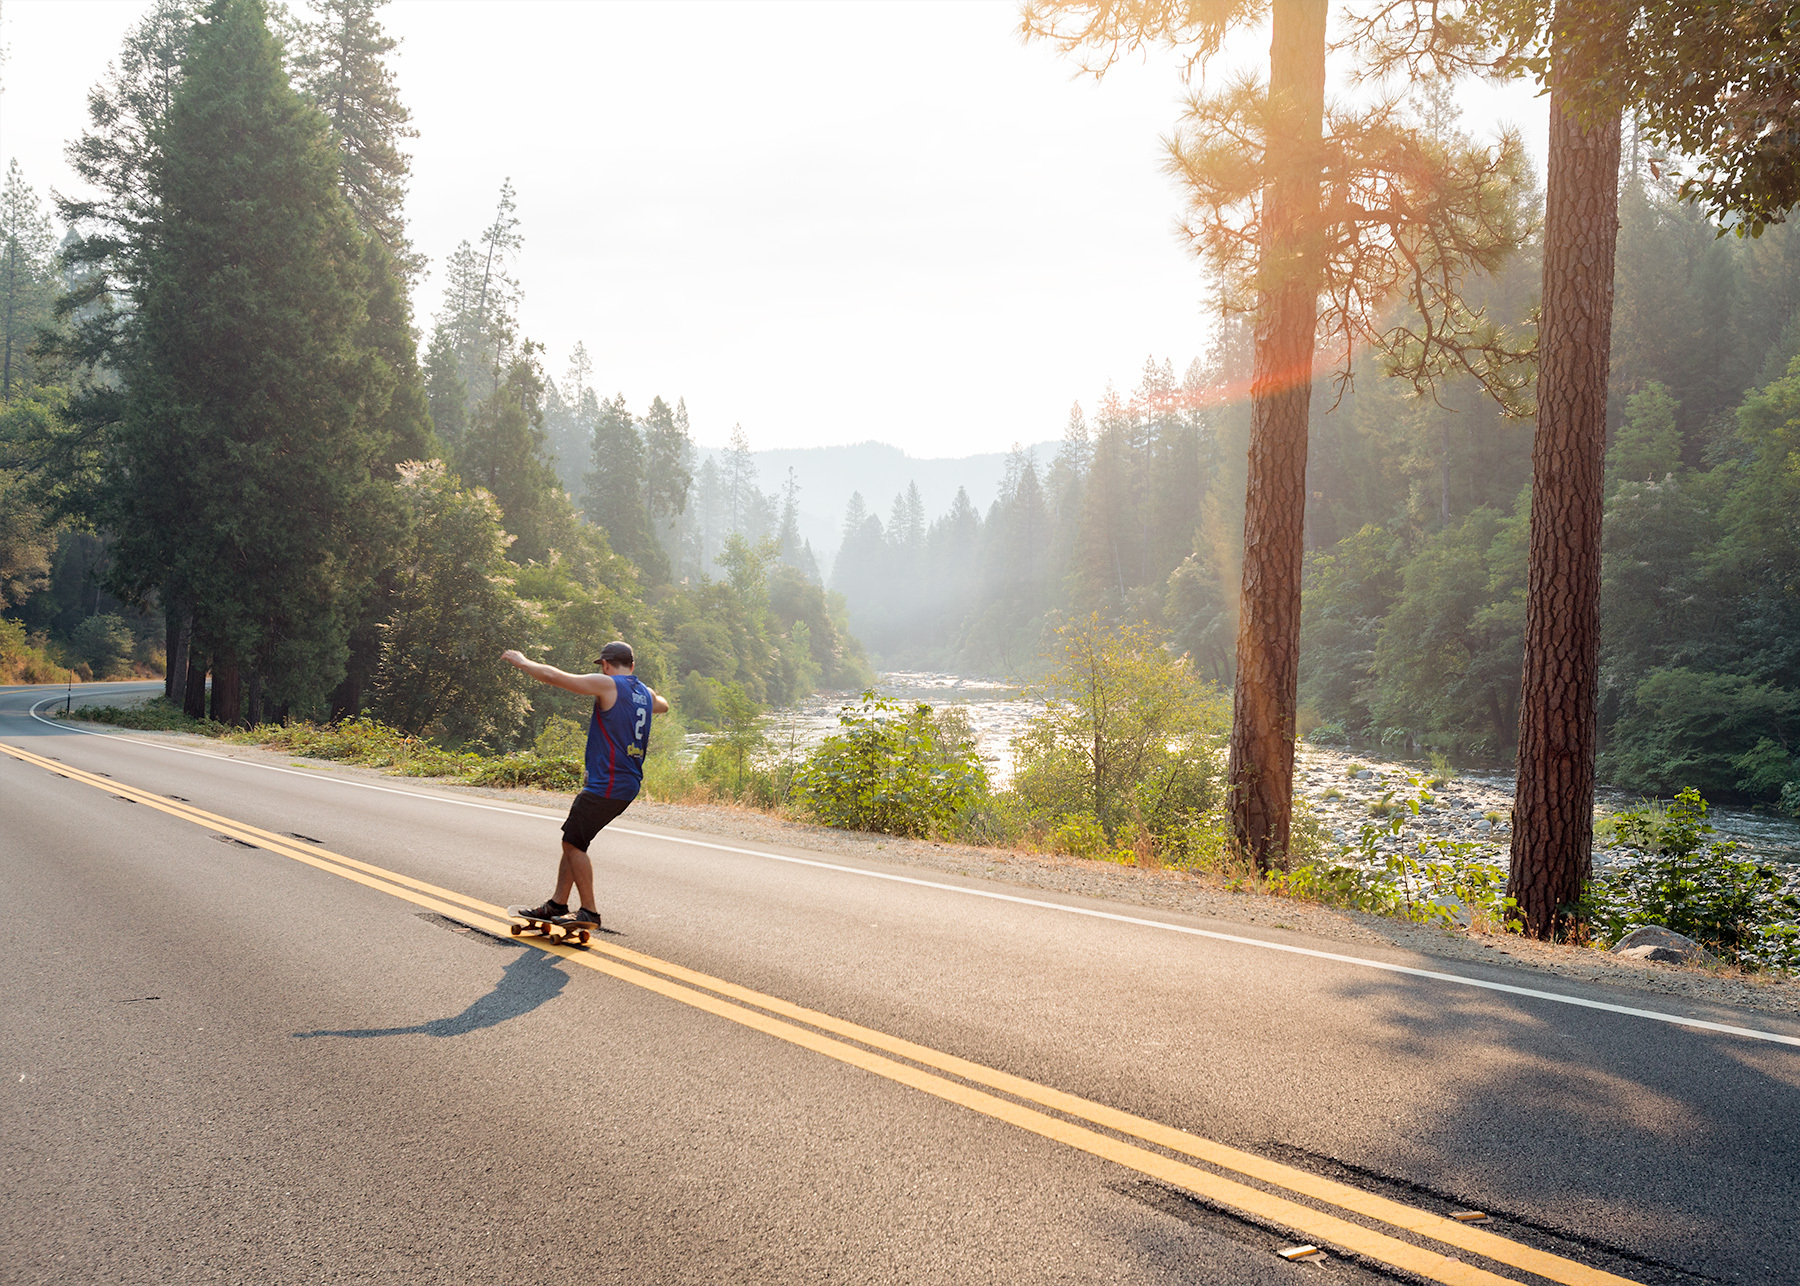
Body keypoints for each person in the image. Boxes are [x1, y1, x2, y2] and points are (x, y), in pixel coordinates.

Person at [501, 640, 669, 928]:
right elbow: (663, 705)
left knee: (572, 843)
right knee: (575, 841)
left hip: (606, 783)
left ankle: (589, 911)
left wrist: (522, 661)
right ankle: (556, 904)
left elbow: (554, 677)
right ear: (632, 665)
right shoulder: (645, 693)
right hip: (628, 784)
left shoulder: (608, 685)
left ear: (605, 665)